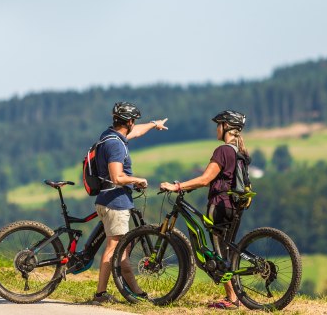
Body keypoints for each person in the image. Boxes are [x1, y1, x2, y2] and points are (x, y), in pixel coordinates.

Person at [160, 110, 249, 310]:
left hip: (219, 205)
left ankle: (232, 298)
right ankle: (234, 295)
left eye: (218, 125)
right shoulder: (240, 152)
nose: (216, 129)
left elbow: (205, 179)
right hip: (234, 206)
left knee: (219, 254)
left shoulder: (223, 151)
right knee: (224, 250)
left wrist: (177, 186)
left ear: (226, 127)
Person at [92, 101, 168, 304]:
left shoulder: (109, 137)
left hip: (108, 200)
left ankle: (136, 292)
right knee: (114, 248)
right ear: (129, 121)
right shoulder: (116, 145)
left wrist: (154, 124)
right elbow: (117, 177)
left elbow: (136, 133)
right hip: (115, 202)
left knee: (121, 249)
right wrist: (138, 180)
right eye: (134, 121)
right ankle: (100, 294)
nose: (135, 124)